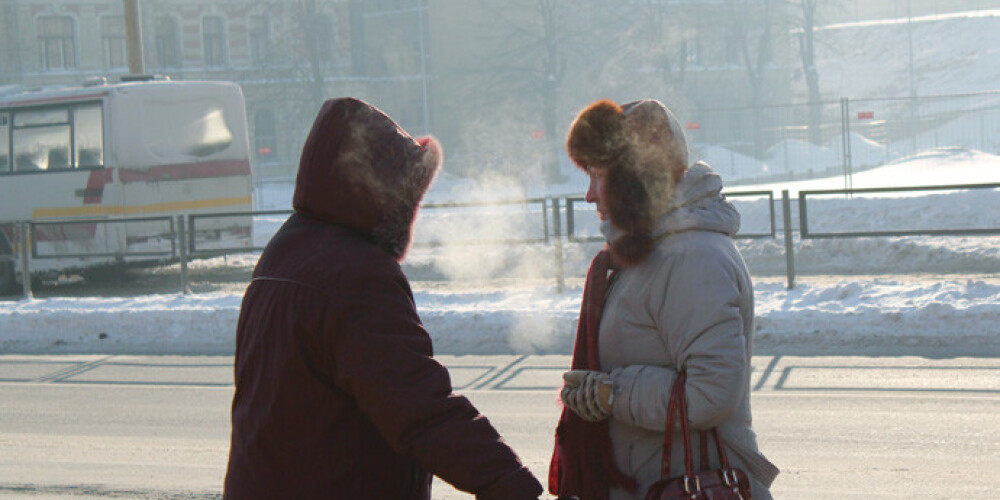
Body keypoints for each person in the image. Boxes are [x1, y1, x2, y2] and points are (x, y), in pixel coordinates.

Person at [223, 97, 543, 499]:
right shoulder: (356, 276)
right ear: (381, 193)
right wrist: (508, 484)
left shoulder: (286, 251)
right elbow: (420, 409)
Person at [548, 99, 779, 500]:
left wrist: (612, 394)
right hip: (649, 482)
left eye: (599, 176)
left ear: (635, 177)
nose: (588, 195)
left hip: (682, 485)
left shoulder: (693, 258)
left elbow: (712, 394)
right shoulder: (650, 253)